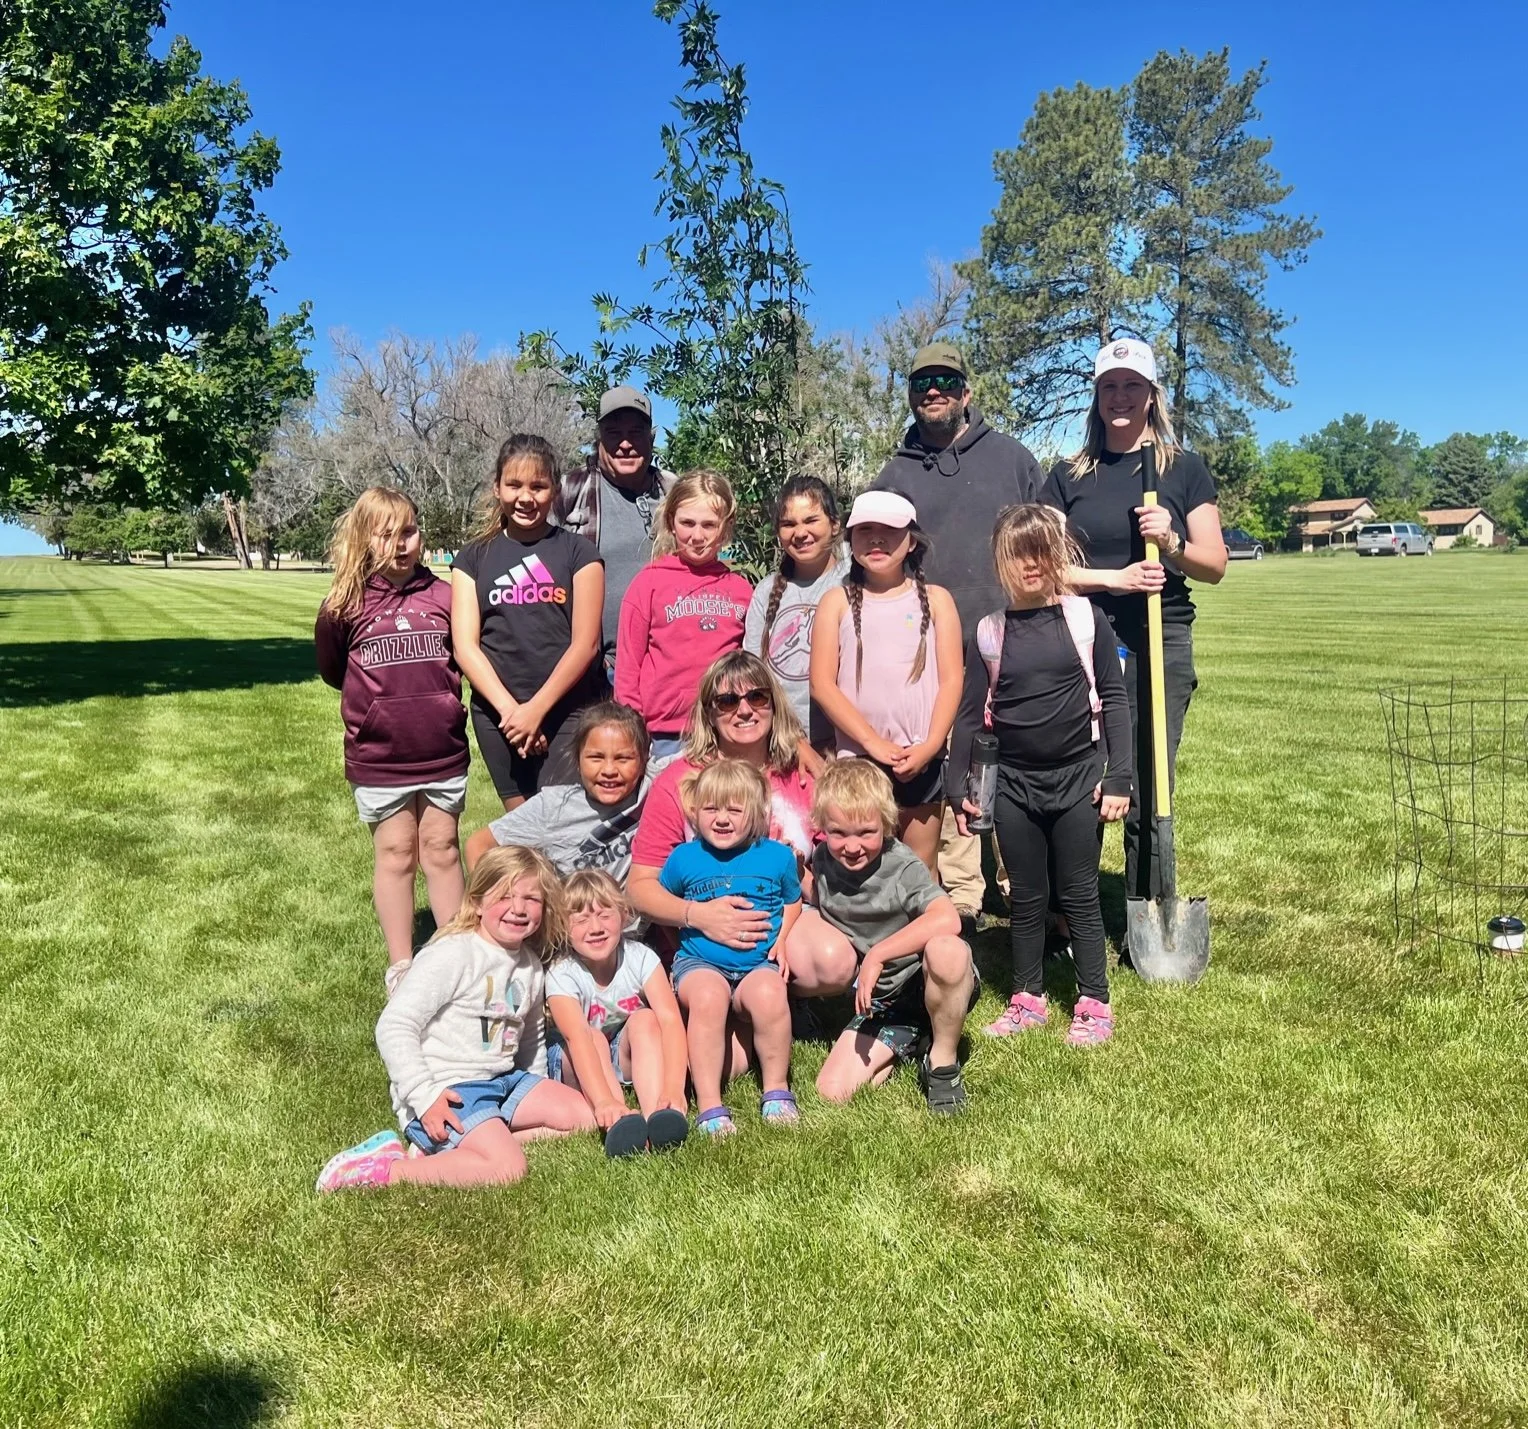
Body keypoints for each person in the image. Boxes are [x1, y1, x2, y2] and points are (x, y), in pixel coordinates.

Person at [1039, 338, 1225, 903]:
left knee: (1147, 776)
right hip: (1082, 635)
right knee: (1082, 771)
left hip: (1158, 636)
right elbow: (1042, 570)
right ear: (1096, 397)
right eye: (1109, 386)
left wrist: (1169, 540)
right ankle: (1071, 910)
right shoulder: (1067, 475)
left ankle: (1147, 903)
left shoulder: (1182, 469)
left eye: (1132, 386)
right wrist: (1114, 580)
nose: (1120, 397)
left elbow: (1214, 565)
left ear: (1151, 396)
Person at [870, 341, 1045, 924]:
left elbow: (1045, 545)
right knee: (948, 769)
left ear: (966, 392)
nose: (933, 392)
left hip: (1011, 640)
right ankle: (955, 897)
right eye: (921, 385)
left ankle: (1030, 896)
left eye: (944, 381)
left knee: (1015, 765)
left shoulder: (1013, 461)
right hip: (928, 651)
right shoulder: (895, 475)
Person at [949, 504, 1134, 1044]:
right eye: (1018, 555)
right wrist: (959, 786)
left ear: (1057, 555)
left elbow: (1115, 699)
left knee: (1078, 892)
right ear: (1001, 563)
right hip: (1013, 786)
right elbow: (968, 715)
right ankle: (1027, 996)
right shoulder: (988, 633)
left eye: (1041, 553)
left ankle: (1094, 1000)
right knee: (1025, 895)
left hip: (1079, 778)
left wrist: (1119, 774)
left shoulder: (1084, 619)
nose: (1031, 565)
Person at [315, 846, 596, 1192]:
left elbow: (531, 1038)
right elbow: (394, 1025)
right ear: (477, 902)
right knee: (507, 1168)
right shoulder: (453, 953)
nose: (518, 908)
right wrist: (425, 1096)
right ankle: (384, 1171)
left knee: (583, 1116)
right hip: (450, 1089)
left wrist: (536, 1086)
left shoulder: (530, 965)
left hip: (503, 1081)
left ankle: (452, 1150)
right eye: (504, 895)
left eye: (531, 898)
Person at [314, 487, 468, 998]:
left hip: (442, 748)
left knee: (442, 848)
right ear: (364, 539)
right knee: (397, 851)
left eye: (409, 531)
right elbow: (335, 672)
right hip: (380, 756)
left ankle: (452, 954)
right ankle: (402, 964)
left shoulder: (447, 596)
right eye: (386, 535)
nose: (400, 544)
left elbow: (465, 656)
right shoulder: (343, 605)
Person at [626, 653, 850, 997]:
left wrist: (800, 875)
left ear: (774, 704)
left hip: (782, 919)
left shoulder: (801, 774)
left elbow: (839, 876)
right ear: (709, 713)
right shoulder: (680, 780)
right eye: (728, 701)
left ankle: (776, 996)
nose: (744, 710)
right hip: (699, 931)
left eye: (757, 697)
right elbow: (640, 887)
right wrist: (697, 915)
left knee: (835, 961)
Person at [809, 760, 977, 1115]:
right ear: (822, 827)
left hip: (925, 980)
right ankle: (916, 1038)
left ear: (887, 825)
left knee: (947, 949)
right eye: (839, 833)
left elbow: (948, 917)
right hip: (883, 1000)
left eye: (866, 832)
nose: (852, 846)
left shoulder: (902, 866)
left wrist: (878, 954)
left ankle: (942, 1063)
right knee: (831, 1092)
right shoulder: (821, 862)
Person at [810, 490, 962, 876]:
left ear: (911, 539)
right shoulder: (836, 602)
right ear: (850, 540)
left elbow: (951, 681)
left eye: (889, 530)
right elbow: (822, 685)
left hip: (919, 757)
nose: (876, 540)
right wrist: (872, 743)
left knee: (918, 866)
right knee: (860, 868)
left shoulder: (938, 600)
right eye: (865, 530)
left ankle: (921, 936)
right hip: (858, 763)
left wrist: (929, 747)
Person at [450, 434, 605, 810]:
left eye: (538, 486)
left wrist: (536, 711)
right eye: (514, 485)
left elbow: (586, 644)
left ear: (554, 491)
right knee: (523, 839)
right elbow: (465, 647)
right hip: (499, 718)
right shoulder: (472, 558)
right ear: (497, 487)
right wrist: (512, 714)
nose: (525, 497)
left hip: (568, 713)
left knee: (565, 830)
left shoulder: (579, 552)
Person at [660, 760, 803, 1136]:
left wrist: (783, 939)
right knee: (707, 997)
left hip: (758, 965)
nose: (721, 819)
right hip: (700, 965)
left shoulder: (777, 856)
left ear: (756, 813)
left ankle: (776, 1088)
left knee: (772, 994)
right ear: (695, 811)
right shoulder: (684, 858)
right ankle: (710, 1105)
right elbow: (663, 905)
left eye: (734, 810)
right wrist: (686, 942)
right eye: (711, 809)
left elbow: (793, 900)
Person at [544, 870, 690, 1157]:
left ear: (624, 915)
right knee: (593, 1036)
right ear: (563, 926)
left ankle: (659, 1115)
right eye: (581, 918)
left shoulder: (640, 957)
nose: (595, 927)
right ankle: (619, 1123)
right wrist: (603, 1102)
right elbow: (577, 1039)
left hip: (619, 1054)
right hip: (575, 1058)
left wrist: (674, 1087)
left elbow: (671, 1021)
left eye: (604, 914)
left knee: (647, 1018)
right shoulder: (562, 973)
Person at [615, 469, 752, 761]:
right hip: (664, 737)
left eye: (709, 525)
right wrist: (632, 732)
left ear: (725, 529)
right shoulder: (648, 583)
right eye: (687, 523)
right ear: (671, 523)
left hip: (723, 733)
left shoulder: (740, 590)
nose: (697, 536)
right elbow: (627, 670)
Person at [553, 384, 677, 682]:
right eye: (613, 433)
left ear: (652, 437)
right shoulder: (568, 490)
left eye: (635, 432)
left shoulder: (674, 492)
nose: (625, 444)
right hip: (592, 670)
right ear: (599, 440)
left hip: (663, 667)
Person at [462, 701, 658, 884]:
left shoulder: (654, 786)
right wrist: (499, 900)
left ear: (643, 761)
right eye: (596, 757)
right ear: (578, 761)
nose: (609, 770)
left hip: (640, 919)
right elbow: (478, 845)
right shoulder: (553, 806)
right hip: (573, 917)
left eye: (623, 759)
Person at [744, 475, 848, 755]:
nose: (800, 533)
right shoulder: (766, 592)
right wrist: (793, 741)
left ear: (835, 524)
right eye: (789, 524)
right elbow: (754, 677)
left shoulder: (852, 582)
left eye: (811, 520)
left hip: (843, 747)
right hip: (780, 743)